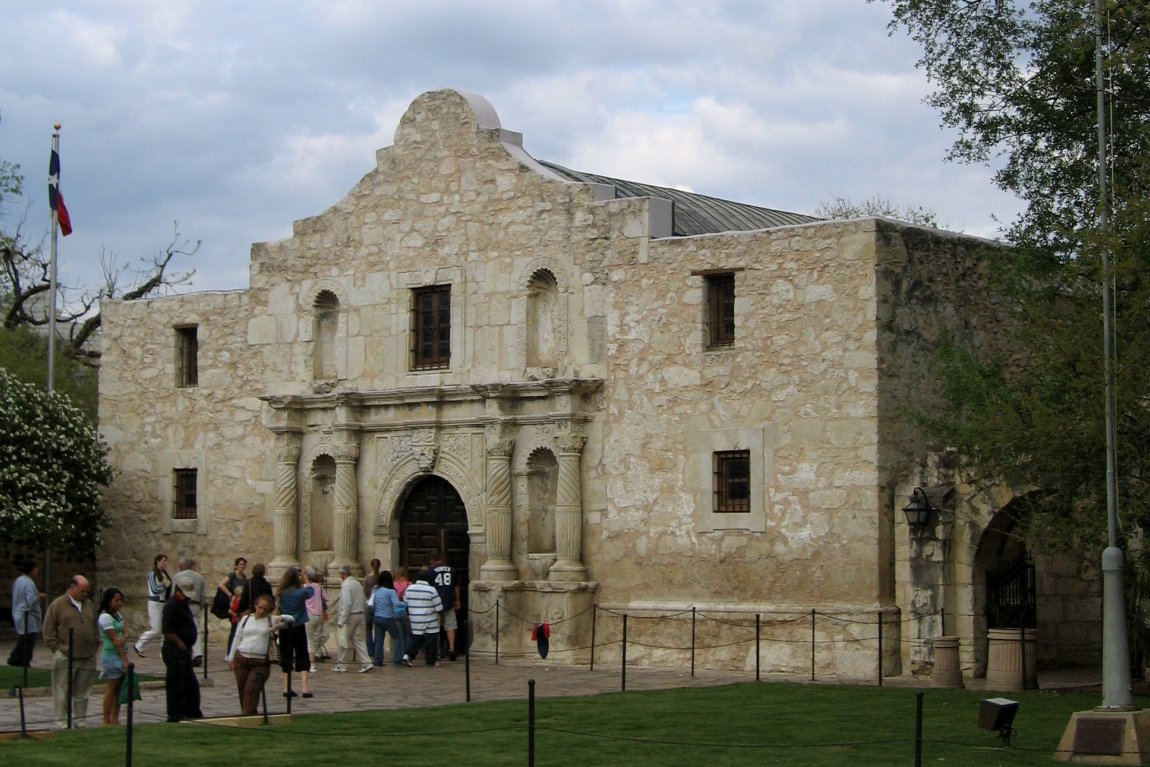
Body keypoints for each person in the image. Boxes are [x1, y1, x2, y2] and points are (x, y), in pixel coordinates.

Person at [42, 574, 100, 729]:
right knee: (62, 691)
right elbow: (48, 631)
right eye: (82, 590)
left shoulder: (89, 605)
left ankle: (80, 720)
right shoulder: (58, 605)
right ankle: (61, 721)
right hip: (66, 656)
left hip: (87, 655)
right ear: (72, 588)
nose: (85, 594)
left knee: (83, 692)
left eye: (87, 591)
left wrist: (95, 645)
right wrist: (58, 650)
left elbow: (95, 626)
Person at [226, 593, 292, 716]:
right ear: (255, 605)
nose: (262, 611)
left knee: (252, 689)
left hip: (260, 662)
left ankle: (246, 715)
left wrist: (280, 618)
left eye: (265, 609)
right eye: (260, 607)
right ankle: (248, 713)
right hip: (241, 658)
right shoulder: (246, 619)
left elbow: (290, 621)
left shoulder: (270, 620)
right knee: (242, 688)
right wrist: (231, 657)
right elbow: (237, 637)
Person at [161, 575, 202, 723]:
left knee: (190, 684)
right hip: (174, 650)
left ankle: (192, 712)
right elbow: (167, 631)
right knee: (175, 684)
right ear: (178, 591)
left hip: (185, 651)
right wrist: (180, 644)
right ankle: (175, 715)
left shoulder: (183, 604)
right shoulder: (171, 606)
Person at [276, 567, 314, 698]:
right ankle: (304, 688)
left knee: (286, 656)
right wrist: (305, 578)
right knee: (302, 655)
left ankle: (286, 687)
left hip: (285, 627)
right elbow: (311, 591)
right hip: (298, 626)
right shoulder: (300, 592)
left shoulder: (281, 593)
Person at [97, 587, 130, 726]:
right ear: (109, 601)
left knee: (119, 689)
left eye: (120, 600)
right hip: (111, 656)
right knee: (111, 688)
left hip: (120, 653)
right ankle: (106, 719)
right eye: (116, 600)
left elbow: (125, 632)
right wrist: (124, 659)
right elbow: (115, 640)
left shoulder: (117, 616)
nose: (119, 603)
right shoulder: (105, 617)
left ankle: (115, 718)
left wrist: (123, 638)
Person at [333, 564, 372, 673]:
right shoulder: (357, 583)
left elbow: (346, 603)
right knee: (359, 640)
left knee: (342, 639)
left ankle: (341, 664)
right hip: (360, 614)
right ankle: (366, 662)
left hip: (351, 615)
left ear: (342, 574)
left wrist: (342, 619)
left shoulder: (346, 585)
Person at [422, 550, 462, 660]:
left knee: (435, 628)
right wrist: (457, 599)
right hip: (449, 601)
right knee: (451, 626)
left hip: (435, 603)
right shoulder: (452, 570)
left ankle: (437, 652)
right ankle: (451, 648)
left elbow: (428, 587)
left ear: (432, 560)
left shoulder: (430, 571)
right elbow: (456, 586)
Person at [7, 559, 44, 667]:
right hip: (27, 616)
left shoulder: (19, 580)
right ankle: (21, 660)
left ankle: (18, 659)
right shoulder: (29, 582)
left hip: (19, 612)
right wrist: (39, 596)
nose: (37, 570)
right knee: (28, 640)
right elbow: (30, 600)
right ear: (31, 570)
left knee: (24, 639)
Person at [400, 574, 442, 667]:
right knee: (431, 639)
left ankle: (408, 654)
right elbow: (439, 607)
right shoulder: (431, 590)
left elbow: (405, 603)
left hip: (415, 618)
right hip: (430, 618)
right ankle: (431, 661)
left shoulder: (409, 589)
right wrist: (442, 616)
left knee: (416, 637)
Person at [133, 554, 171, 657]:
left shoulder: (164, 574)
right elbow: (154, 589)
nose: (165, 563)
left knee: (165, 629)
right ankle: (139, 645)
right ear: (158, 561)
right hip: (155, 603)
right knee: (156, 629)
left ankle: (164, 651)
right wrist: (164, 586)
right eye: (163, 561)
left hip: (163, 603)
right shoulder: (153, 574)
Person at [173, 556, 206, 666]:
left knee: (181, 629)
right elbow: (202, 595)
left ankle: (184, 652)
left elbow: (174, 593)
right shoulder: (199, 577)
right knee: (195, 629)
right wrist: (200, 606)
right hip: (195, 605)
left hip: (182, 605)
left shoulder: (178, 576)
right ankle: (197, 654)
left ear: (181, 566)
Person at [369, 571, 406, 667]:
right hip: (388, 618)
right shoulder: (391, 591)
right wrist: (406, 604)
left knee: (379, 640)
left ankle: (378, 660)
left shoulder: (376, 589)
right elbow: (396, 603)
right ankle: (397, 659)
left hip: (377, 617)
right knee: (397, 638)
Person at [219, 556, 249, 653]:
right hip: (233, 604)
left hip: (241, 604)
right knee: (234, 629)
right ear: (236, 565)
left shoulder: (244, 577)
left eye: (244, 564)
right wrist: (230, 595)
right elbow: (221, 584)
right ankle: (229, 652)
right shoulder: (232, 575)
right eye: (240, 564)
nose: (242, 566)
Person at [303, 568, 329, 671]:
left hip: (309, 615)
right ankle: (314, 655)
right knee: (315, 637)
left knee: (309, 640)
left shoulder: (305, 587)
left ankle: (311, 664)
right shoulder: (318, 587)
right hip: (319, 615)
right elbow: (326, 598)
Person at [362, 558, 381, 652]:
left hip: (369, 604)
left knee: (368, 629)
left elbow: (365, 592)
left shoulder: (367, 578)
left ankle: (370, 650)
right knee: (378, 630)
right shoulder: (381, 578)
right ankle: (377, 651)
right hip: (379, 605)